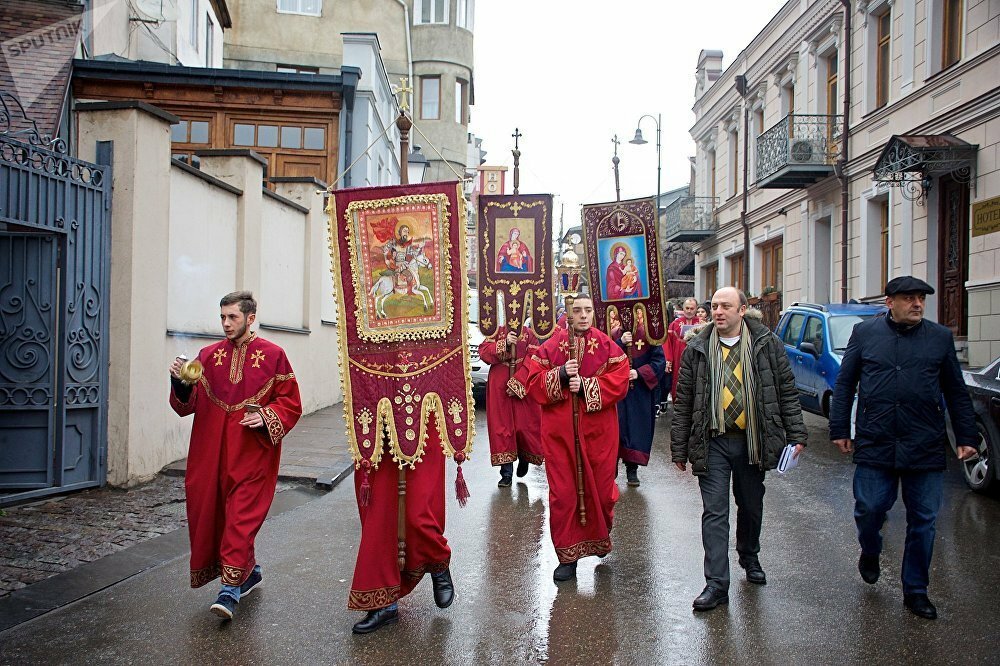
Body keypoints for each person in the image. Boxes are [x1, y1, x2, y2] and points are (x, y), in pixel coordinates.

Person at [830, 276, 977, 620]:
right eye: (909, 298)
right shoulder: (866, 335)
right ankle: (870, 549)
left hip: (923, 444)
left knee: (923, 520)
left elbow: (956, 391)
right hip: (876, 440)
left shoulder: (939, 338)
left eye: (922, 299)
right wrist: (839, 428)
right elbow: (846, 381)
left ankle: (916, 590)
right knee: (869, 508)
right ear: (889, 302)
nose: (918, 304)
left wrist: (967, 437)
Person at [671, 287, 807, 611]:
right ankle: (716, 585)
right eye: (715, 306)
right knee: (715, 513)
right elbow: (684, 399)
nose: (718, 311)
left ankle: (749, 553)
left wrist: (796, 433)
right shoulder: (698, 347)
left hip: (752, 441)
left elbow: (786, 391)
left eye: (726, 306)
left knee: (750, 506)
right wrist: (678, 449)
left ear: (742, 310)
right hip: (713, 441)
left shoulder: (767, 344)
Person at [169, 291, 302, 620]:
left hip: (251, 455)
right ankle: (250, 573)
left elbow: (290, 403)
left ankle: (229, 591)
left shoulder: (274, 356)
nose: (226, 324)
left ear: (251, 318)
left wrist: (268, 416)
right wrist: (181, 383)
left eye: (233, 318)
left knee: (240, 521)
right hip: (211, 454)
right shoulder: (208, 354)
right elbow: (188, 405)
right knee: (215, 516)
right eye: (223, 317)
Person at [525, 293, 630, 582]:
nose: (583, 316)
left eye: (588, 311)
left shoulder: (608, 346)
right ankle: (567, 556)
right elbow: (532, 383)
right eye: (578, 311)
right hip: (560, 434)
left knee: (601, 489)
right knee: (563, 493)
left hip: (599, 432)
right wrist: (559, 374)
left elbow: (620, 381)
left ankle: (599, 536)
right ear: (567, 313)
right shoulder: (550, 347)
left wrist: (586, 385)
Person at [479, 323, 544, 486]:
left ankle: (524, 457)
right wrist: (505, 344)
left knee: (524, 427)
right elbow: (484, 353)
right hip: (499, 387)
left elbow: (534, 359)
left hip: (523, 386)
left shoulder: (530, 334)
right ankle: (506, 472)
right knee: (502, 428)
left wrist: (519, 382)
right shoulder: (496, 332)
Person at [614, 310, 665, 487]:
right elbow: (604, 358)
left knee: (636, 428)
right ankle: (610, 468)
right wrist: (619, 343)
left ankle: (632, 467)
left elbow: (659, 361)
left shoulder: (649, 335)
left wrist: (639, 373)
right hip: (617, 390)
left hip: (639, 391)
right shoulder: (612, 335)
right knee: (615, 428)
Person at [665, 298, 700, 404]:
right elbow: (667, 344)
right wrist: (668, 360)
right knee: (678, 383)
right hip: (678, 360)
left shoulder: (702, 324)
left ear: (696, 309)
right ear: (683, 309)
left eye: (692, 308)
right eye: (687, 308)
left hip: (697, 360)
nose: (689, 311)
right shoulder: (674, 325)